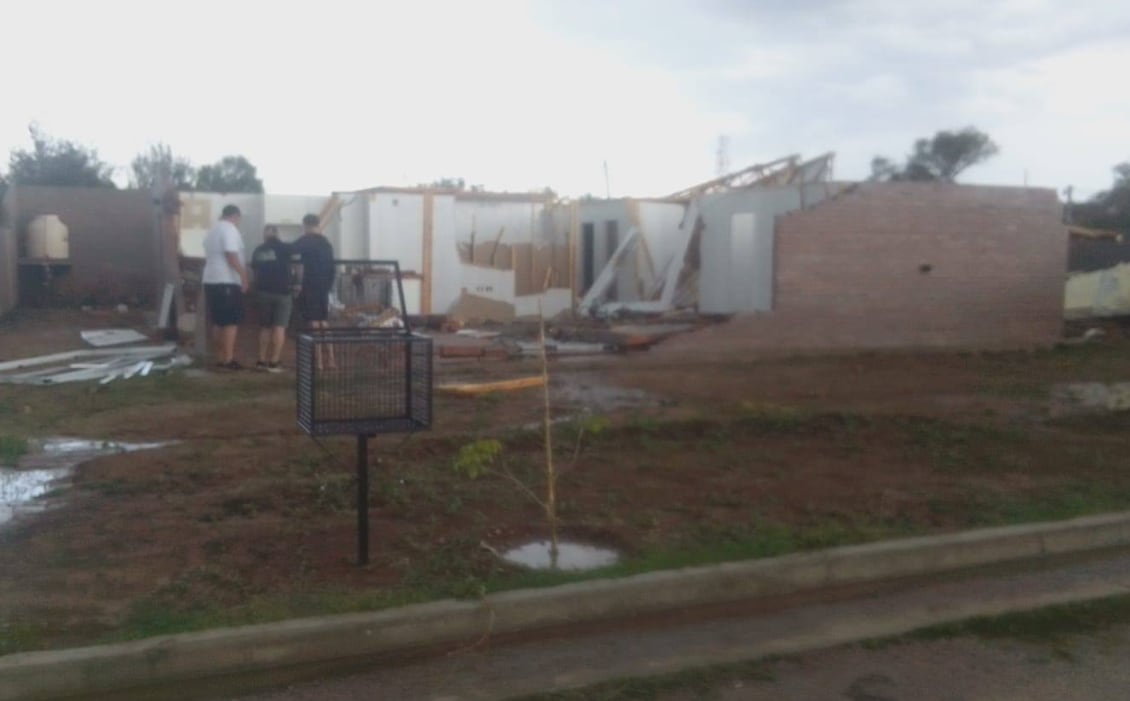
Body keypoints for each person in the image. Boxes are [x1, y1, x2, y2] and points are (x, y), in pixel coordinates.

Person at [201, 204, 249, 370]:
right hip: (226, 280)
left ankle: (220, 358)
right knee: (230, 321)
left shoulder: (212, 230)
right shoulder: (229, 229)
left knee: (218, 321)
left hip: (211, 279)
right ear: (235, 216)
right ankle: (228, 360)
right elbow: (231, 254)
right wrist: (243, 275)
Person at [292, 213, 337, 369]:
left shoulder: (308, 240)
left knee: (314, 324)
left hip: (312, 286)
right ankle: (331, 359)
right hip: (325, 287)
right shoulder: (326, 243)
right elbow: (333, 268)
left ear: (305, 226)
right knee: (324, 322)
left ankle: (318, 362)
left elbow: (291, 249)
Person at [249, 225, 294, 373]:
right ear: (277, 234)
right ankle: (274, 362)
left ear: (265, 235)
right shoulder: (286, 248)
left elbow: (254, 270)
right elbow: (296, 265)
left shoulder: (259, 250)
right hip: (283, 292)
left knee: (265, 327)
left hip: (263, 291)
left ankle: (261, 360)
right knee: (279, 327)